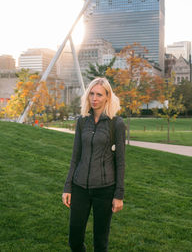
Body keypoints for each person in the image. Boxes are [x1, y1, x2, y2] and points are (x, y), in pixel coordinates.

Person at [62, 77, 126, 252]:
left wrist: (119, 194)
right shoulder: (82, 121)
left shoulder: (116, 124)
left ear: (107, 97)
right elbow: (75, 156)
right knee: (74, 240)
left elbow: (120, 162)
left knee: (100, 243)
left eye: (99, 94)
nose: (94, 98)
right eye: (91, 93)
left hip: (105, 190)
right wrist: (68, 187)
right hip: (79, 187)